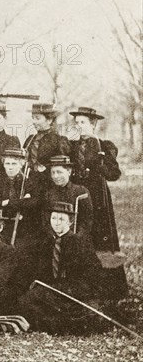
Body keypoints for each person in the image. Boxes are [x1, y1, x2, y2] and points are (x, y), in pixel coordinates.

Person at [15, 202, 104, 334]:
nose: (56, 223)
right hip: (52, 287)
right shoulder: (47, 242)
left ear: (70, 222)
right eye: (53, 218)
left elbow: (93, 272)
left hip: (74, 288)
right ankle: (53, 326)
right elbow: (39, 270)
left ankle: (65, 326)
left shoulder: (80, 243)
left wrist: (75, 287)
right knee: (26, 301)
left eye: (61, 219)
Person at [69, 106, 127, 299]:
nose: (79, 126)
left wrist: (100, 164)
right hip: (77, 197)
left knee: (101, 239)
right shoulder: (70, 146)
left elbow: (114, 174)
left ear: (93, 124)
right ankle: (80, 286)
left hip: (98, 199)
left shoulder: (104, 146)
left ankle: (109, 290)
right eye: (76, 123)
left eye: (83, 122)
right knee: (78, 237)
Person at [0, 148, 45, 249]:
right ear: (3, 164)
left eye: (14, 164)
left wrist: (8, 203)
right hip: (2, 226)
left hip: (23, 227)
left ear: (21, 165)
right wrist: (22, 201)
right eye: (7, 164)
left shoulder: (28, 183)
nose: (10, 167)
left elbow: (34, 203)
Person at [44, 155, 93, 239]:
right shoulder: (49, 194)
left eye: (59, 172)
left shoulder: (81, 192)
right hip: (54, 240)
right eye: (53, 172)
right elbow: (45, 220)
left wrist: (77, 237)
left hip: (77, 239)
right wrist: (53, 236)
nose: (55, 176)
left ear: (69, 172)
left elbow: (87, 220)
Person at [24, 103, 70, 176]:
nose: (34, 121)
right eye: (33, 118)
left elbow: (64, 166)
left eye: (37, 118)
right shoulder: (30, 139)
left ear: (49, 120)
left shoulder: (59, 140)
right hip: (30, 181)